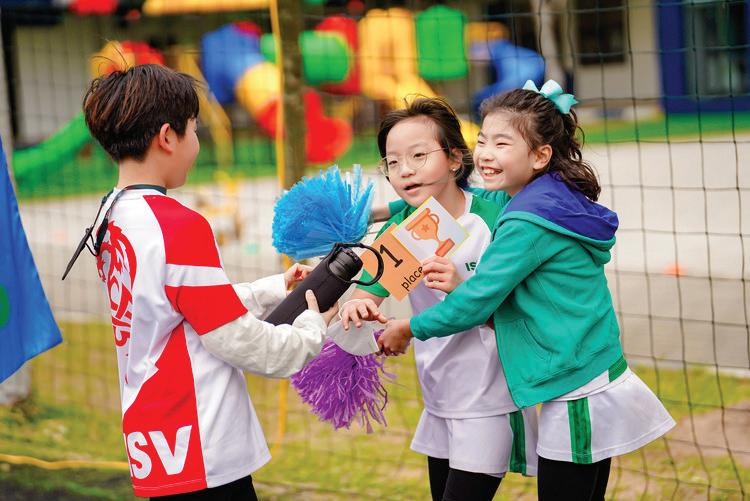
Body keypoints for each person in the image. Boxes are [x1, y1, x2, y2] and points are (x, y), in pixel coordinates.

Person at [378, 81, 675, 500]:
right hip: (581, 372)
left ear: (540, 156)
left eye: (502, 143)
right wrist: (381, 210)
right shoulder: (545, 197)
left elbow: (475, 302)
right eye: (483, 140)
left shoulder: (523, 222)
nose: (486, 153)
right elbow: (448, 203)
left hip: (574, 386)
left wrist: (407, 328)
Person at [82, 64, 337, 499]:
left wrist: (274, 287)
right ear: (168, 137)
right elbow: (240, 341)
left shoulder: (111, 215)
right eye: (195, 130)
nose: (197, 143)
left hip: (154, 435)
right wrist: (312, 328)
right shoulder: (178, 225)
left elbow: (175, 307)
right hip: (202, 441)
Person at [339, 97, 538, 501]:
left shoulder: (496, 217)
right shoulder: (403, 231)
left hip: (490, 398)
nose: (405, 170)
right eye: (393, 162)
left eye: (418, 155)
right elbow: (366, 293)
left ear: (454, 159)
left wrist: (462, 287)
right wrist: (356, 305)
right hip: (439, 397)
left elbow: (517, 308)